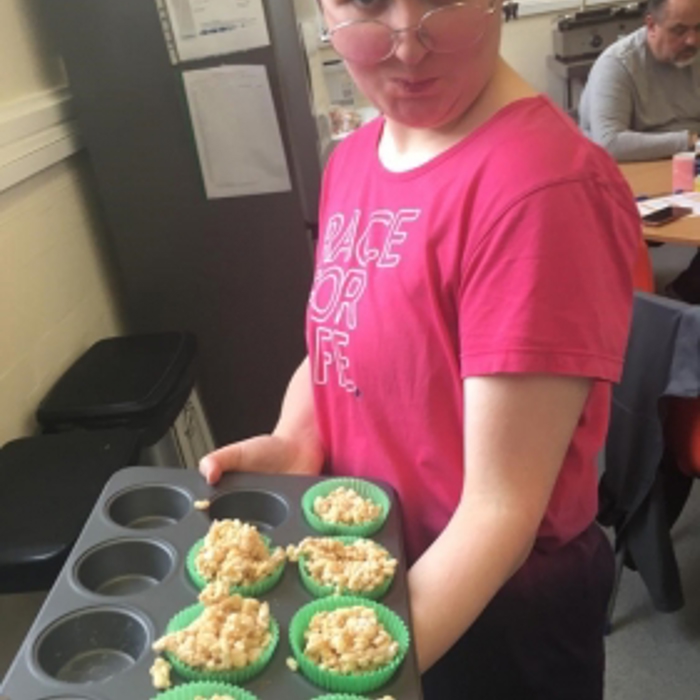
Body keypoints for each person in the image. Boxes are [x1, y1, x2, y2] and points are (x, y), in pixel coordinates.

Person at [200, 0, 640, 697]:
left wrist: (357, 675)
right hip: (370, 569)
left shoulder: (542, 191)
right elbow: (347, 334)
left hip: (492, 611)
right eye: (368, 6)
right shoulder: (355, 158)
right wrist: (296, 438)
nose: (408, 45)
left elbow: (499, 513)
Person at [578, 0, 700, 162]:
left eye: (698, 28)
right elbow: (609, 143)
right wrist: (690, 141)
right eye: (679, 30)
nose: (692, 40)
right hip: (634, 167)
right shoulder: (617, 64)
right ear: (651, 25)